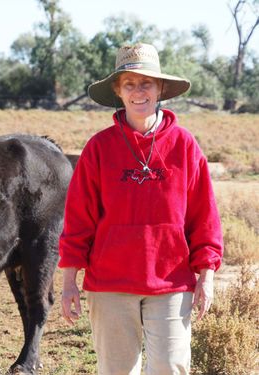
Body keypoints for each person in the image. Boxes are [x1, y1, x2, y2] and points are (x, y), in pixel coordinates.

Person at [59, 43, 223, 375]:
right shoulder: (99, 149)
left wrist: (206, 277)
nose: (138, 91)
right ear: (118, 91)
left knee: (170, 367)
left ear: (160, 88)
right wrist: (68, 282)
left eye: (146, 82)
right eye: (129, 84)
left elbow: (204, 218)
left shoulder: (185, 146)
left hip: (171, 283)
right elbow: (79, 220)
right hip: (110, 284)